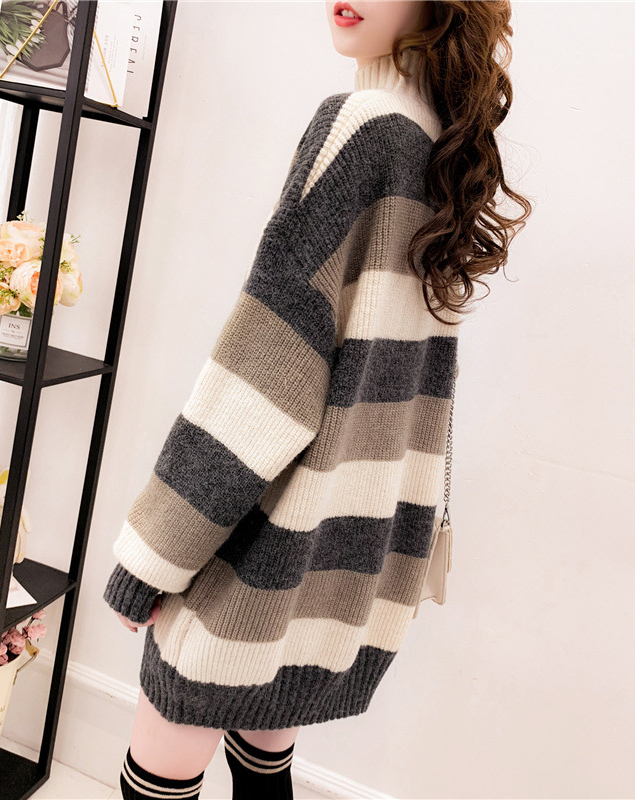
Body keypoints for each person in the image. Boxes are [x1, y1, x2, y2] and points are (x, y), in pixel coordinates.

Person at [103, 2, 531, 799]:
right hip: (344, 553)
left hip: (261, 547)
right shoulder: (438, 148)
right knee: (266, 761)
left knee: (158, 776)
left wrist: (153, 555)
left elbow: (269, 367)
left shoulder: (362, 126)